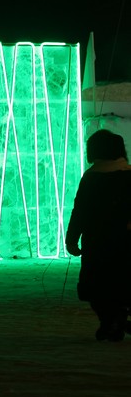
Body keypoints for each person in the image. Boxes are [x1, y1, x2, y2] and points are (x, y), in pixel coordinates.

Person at [65, 129, 131, 341]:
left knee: (98, 288)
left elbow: (80, 211)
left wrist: (72, 239)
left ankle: (109, 321)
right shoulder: (129, 174)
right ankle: (120, 318)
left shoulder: (91, 178)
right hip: (126, 243)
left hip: (97, 243)